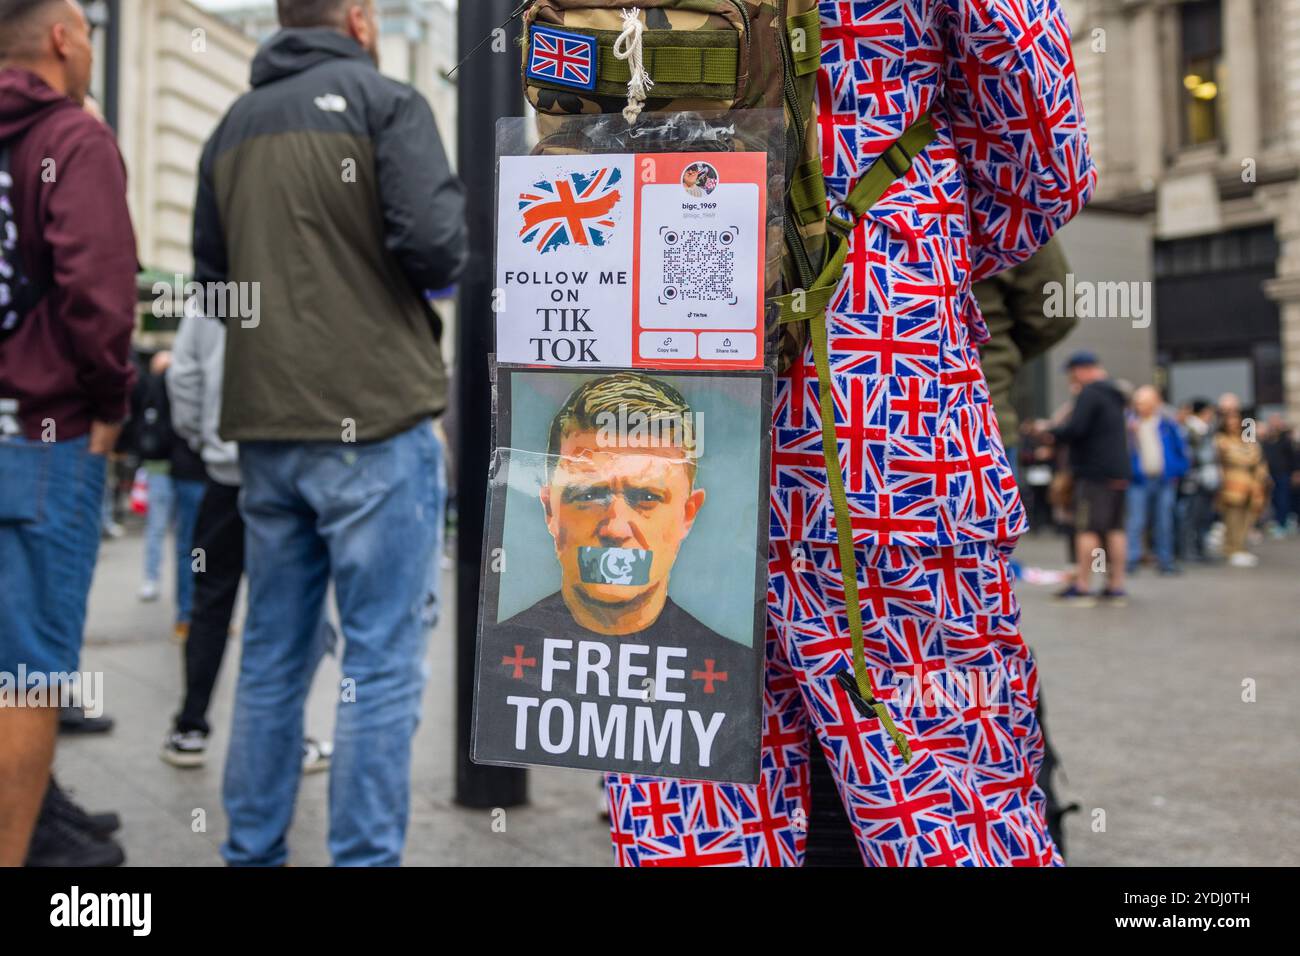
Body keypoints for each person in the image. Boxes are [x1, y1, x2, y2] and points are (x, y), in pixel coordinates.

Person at [607, 0, 1095, 866]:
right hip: (883, 404)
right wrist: (905, 247)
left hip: (651, 395)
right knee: (945, 789)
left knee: (688, 794)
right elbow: (1044, 161)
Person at [195, 0, 466, 866]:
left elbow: (213, 279)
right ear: (356, 17)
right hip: (377, 421)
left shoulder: (229, 127)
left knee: (274, 653)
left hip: (268, 429)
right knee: (381, 662)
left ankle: (253, 852)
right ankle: (362, 859)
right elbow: (438, 248)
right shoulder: (388, 102)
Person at [0, 0, 137, 867]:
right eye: (86, 26)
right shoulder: (72, 140)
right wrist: (112, 404)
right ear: (61, 36)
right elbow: (96, 295)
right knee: (25, 677)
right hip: (40, 438)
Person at [160, 307, 334, 773]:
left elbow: (184, 377)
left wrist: (206, 441)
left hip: (225, 474)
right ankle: (285, 737)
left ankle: (190, 727)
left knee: (210, 603)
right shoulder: (298, 272)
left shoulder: (210, 294)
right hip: (287, 469)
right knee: (287, 608)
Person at [125, 348, 205, 639]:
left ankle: (179, 605)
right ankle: (189, 608)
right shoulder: (176, 384)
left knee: (173, 536)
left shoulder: (155, 386)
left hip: (166, 466)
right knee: (191, 541)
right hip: (187, 466)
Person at [1050, 353, 1130, 606]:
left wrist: (1051, 432)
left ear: (1082, 370)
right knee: (1115, 529)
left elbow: (1076, 429)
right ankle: (1116, 586)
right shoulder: (1115, 394)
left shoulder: (1090, 394)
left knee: (1087, 529)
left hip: (1094, 473)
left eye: (1072, 373)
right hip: (1118, 472)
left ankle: (1083, 586)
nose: (1071, 379)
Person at [1124, 385, 1188, 575]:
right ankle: (1131, 560)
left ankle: (1165, 560)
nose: (1139, 406)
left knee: (1164, 522)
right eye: (1137, 402)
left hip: (1164, 481)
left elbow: (1181, 451)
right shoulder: (1129, 424)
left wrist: (1176, 470)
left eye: (1144, 402)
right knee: (1136, 521)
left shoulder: (1167, 424)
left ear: (1155, 403)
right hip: (1138, 482)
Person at [1214, 398, 1270, 567]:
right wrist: (1246, 455)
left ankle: (1241, 547)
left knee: (1247, 518)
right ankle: (1232, 549)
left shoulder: (1246, 434)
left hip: (1250, 486)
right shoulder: (1221, 438)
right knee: (1233, 519)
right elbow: (1236, 457)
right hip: (1232, 485)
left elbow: (1256, 455)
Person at [1176, 398, 1219, 562]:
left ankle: (1200, 549)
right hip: (1193, 480)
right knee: (1191, 516)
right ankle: (1189, 550)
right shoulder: (1189, 430)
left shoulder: (1206, 430)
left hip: (1206, 480)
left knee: (1204, 516)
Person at [1261, 413, 1297, 535]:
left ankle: (1283, 523)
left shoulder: (1286, 440)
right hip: (1270, 475)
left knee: (1283, 499)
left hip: (1284, 474)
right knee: (1274, 499)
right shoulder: (1266, 441)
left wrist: (1296, 472)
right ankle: (1278, 521)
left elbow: (1293, 457)